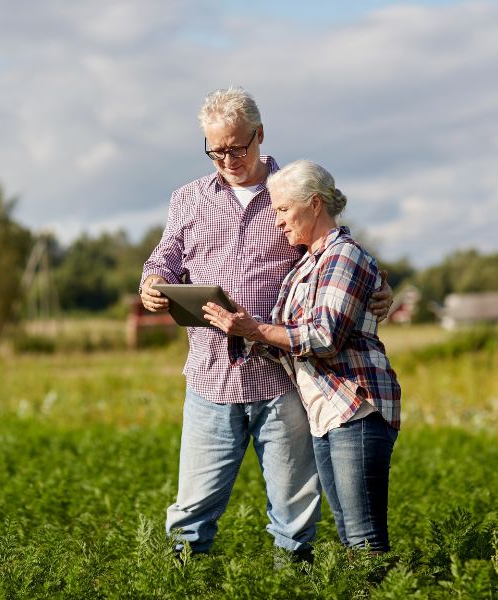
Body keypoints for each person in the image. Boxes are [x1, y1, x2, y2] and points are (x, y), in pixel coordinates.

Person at [139, 87, 393, 562]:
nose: (229, 159)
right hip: (211, 377)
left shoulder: (290, 190)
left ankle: (291, 584)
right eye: (217, 151)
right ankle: (176, 585)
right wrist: (152, 283)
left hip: (284, 380)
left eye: (238, 147)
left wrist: (381, 287)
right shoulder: (189, 199)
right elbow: (164, 259)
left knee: (294, 514)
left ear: (260, 135)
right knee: (192, 510)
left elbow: (338, 252)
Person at [202, 160, 401, 553]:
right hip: (326, 414)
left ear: (313, 204)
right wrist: (234, 325)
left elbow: (324, 337)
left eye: (282, 209)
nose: (276, 222)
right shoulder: (306, 265)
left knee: (364, 538)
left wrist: (253, 329)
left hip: (355, 408)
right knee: (350, 533)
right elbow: (288, 340)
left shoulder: (344, 256)